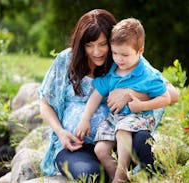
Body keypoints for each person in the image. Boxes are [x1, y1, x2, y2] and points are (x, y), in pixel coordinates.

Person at [38, 9, 178, 182]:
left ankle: (152, 175)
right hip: (77, 146)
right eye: (89, 45)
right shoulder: (66, 60)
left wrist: (130, 94)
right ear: (81, 44)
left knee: (143, 141)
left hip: (120, 140)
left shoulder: (123, 58)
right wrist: (60, 132)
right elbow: (45, 103)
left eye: (102, 44)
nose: (96, 52)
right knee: (91, 175)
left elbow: (172, 94)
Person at [75, 18, 171, 182]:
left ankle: (121, 172)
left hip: (139, 117)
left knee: (122, 130)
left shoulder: (148, 75)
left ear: (140, 51)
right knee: (100, 150)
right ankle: (119, 177)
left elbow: (166, 97)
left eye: (125, 54)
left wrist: (142, 105)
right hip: (114, 118)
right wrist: (85, 118)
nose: (119, 59)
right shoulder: (113, 70)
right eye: (115, 53)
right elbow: (97, 95)